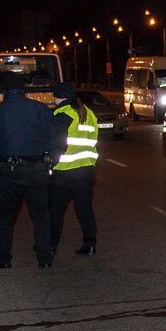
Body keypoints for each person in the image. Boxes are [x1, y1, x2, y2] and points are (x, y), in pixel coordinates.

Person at [0, 71, 56, 268]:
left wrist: (2, 150)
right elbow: (56, 137)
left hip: (9, 171)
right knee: (40, 215)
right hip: (37, 169)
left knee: (4, 217)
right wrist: (49, 158)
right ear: (24, 90)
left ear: (4, 90)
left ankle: (3, 259)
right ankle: (45, 259)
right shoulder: (41, 109)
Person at [48, 82, 99, 256]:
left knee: (55, 210)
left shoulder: (62, 113)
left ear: (57, 97)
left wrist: (49, 162)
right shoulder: (89, 113)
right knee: (84, 208)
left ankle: (51, 245)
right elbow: (93, 140)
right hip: (86, 169)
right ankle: (90, 244)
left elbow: (56, 144)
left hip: (64, 170)